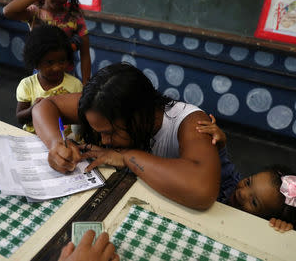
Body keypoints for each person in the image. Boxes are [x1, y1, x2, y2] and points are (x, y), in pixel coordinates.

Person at [33, 63, 221, 210]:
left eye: (110, 133)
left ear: (139, 114)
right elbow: (44, 107)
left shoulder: (190, 122)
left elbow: (202, 190)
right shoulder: (101, 105)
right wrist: (55, 143)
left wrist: (127, 157)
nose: (105, 141)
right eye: (99, 133)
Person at [196, 116, 296, 233]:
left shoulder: (254, 230)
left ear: (266, 220)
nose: (242, 193)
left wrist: (277, 229)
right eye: (248, 182)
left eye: (254, 202)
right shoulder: (231, 181)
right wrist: (219, 143)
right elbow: (219, 163)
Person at [3, 0, 91, 84]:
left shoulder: (74, 15)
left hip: (67, 79)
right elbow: (8, 11)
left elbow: (85, 54)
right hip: (41, 78)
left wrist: (86, 86)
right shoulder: (35, 12)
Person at [16, 25, 82, 133]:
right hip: (33, 137)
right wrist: (33, 109)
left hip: (65, 139)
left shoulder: (75, 85)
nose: (56, 68)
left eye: (62, 61)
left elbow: (80, 116)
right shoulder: (27, 85)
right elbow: (20, 118)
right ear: (36, 63)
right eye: (49, 62)